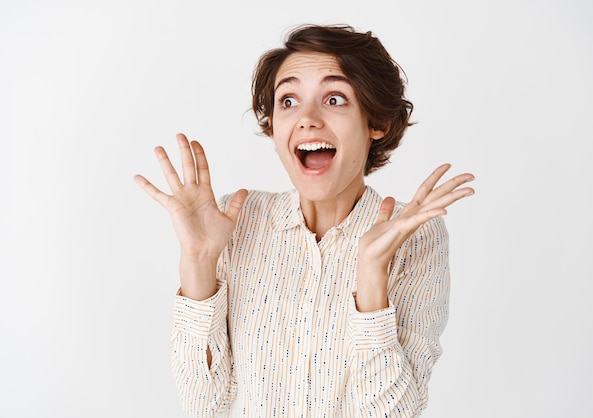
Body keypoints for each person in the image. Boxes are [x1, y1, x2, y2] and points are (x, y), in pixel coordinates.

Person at [134, 23, 475, 417]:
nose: (307, 118)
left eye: (334, 99)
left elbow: (392, 413)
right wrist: (197, 262)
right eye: (289, 101)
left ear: (376, 123)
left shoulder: (415, 234)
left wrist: (371, 276)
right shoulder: (234, 221)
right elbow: (204, 405)